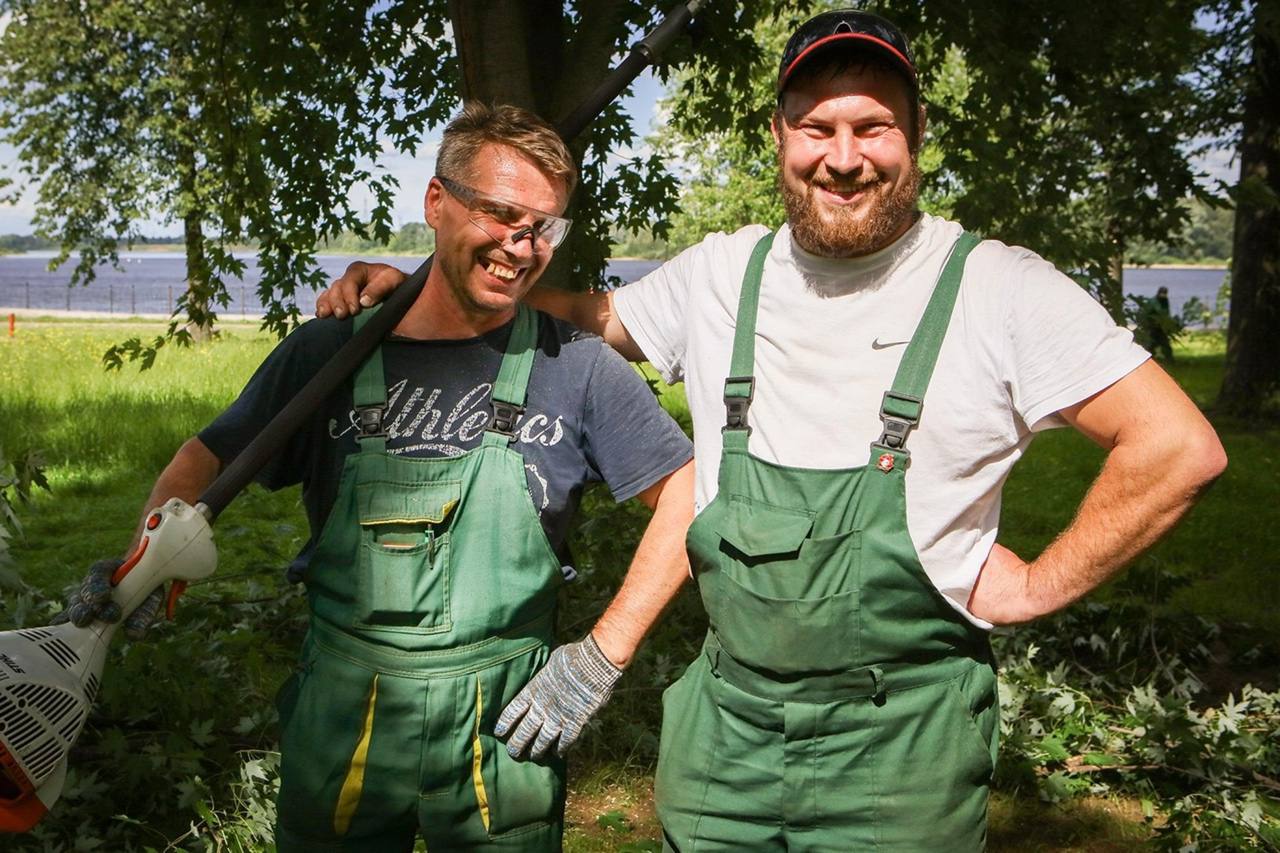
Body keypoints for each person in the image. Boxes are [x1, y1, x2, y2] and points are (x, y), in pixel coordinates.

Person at [317, 10, 1226, 850]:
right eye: (817, 127)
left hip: (901, 747)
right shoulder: (723, 273)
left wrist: (1030, 587)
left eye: (873, 126)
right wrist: (425, 285)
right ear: (781, 138)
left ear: (914, 141)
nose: (844, 156)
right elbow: (587, 315)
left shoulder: (999, 288)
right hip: (725, 740)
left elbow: (1177, 447)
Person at [57, 103, 694, 852]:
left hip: (504, 720)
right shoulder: (330, 356)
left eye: (543, 227)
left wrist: (599, 657)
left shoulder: (577, 366)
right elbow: (209, 457)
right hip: (344, 705)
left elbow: (685, 493)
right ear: (436, 202)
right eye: (500, 214)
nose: (520, 247)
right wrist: (142, 558)